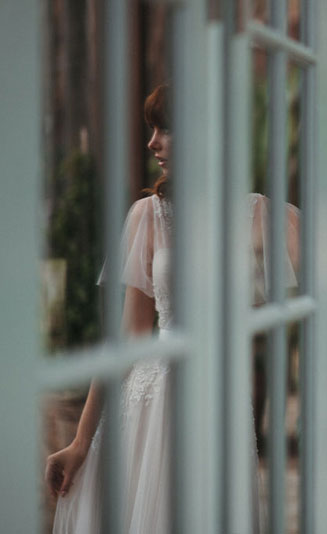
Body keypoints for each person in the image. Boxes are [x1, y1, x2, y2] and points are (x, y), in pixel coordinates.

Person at [44, 85, 265, 533]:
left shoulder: (252, 214)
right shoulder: (149, 214)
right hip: (152, 404)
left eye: (165, 128)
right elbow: (128, 337)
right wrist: (80, 441)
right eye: (151, 129)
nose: (152, 142)